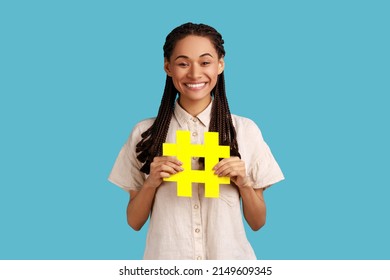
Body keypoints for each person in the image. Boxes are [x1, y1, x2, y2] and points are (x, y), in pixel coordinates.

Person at [108, 22, 284, 260]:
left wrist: (243, 183)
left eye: (205, 62)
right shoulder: (145, 133)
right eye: (183, 63)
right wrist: (151, 183)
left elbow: (258, 222)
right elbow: (133, 222)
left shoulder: (244, 131)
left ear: (220, 64)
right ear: (168, 67)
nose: (194, 74)